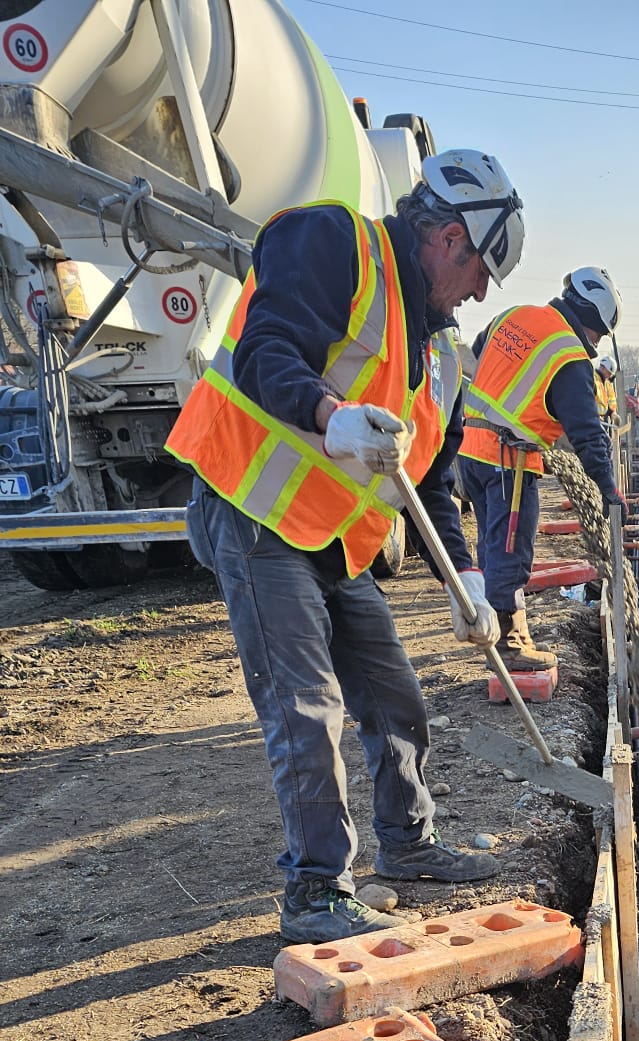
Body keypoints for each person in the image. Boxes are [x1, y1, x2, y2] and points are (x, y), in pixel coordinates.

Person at [167, 150, 524, 943]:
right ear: (451, 240)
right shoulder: (335, 244)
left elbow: (433, 483)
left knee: (393, 696)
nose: (477, 294)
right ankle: (316, 890)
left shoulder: (441, 355)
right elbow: (266, 353)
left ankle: (408, 843)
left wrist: (465, 581)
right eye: (479, 274)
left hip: (332, 542)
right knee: (307, 707)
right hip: (255, 513)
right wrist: (333, 418)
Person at [459, 268, 626, 666]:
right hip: (507, 461)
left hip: (470, 450)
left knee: (492, 544)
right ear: (592, 317)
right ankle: (508, 645)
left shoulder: (514, 316)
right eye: (599, 335)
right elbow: (587, 434)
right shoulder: (569, 356)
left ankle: (500, 631)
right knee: (511, 550)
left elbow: (480, 360)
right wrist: (608, 489)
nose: (595, 344)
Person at [594, 350, 618, 429]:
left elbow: (602, 404)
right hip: (595, 421)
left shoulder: (602, 381)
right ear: (603, 368)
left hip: (601, 420)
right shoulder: (594, 380)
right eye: (609, 373)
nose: (609, 376)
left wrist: (611, 413)